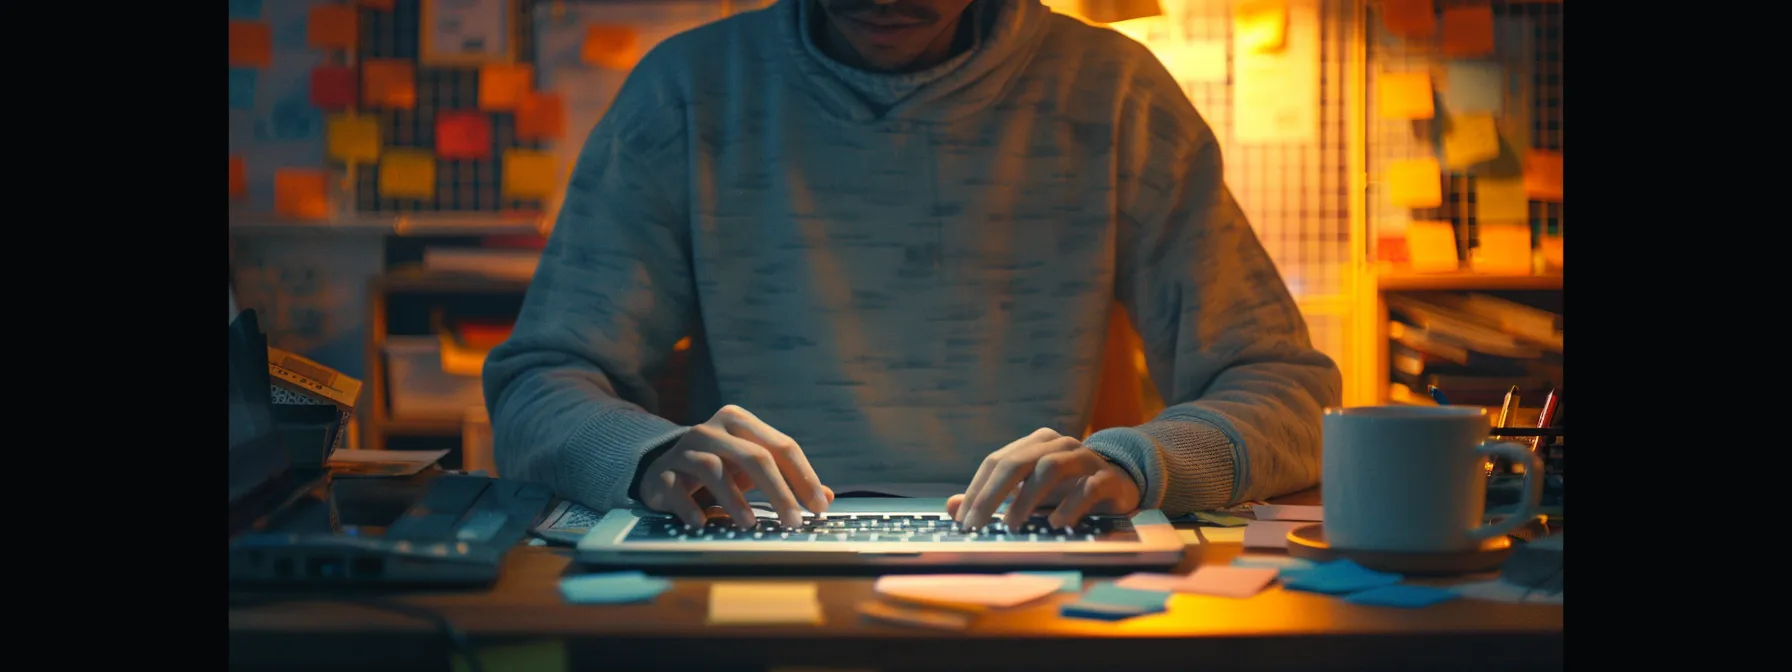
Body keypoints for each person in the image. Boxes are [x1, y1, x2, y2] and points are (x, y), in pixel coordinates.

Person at [482, 0, 1342, 533]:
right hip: (741, 556)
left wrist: (1138, 463)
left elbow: (1291, 395)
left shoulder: (1114, 94)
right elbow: (537, 384)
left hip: (1042, 582)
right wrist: (648, 455)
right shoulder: (687, 89)